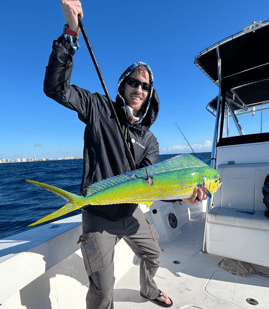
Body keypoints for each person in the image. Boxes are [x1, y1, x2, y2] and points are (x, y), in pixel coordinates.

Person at [43, 1, 208, 308]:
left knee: (154, 254)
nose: (139, 89)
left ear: (150, 95)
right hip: (99, 214)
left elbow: (153, 183)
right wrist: (70, 33)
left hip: (131, 212)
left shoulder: (150, 139)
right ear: (122, 85)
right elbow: (55, 88)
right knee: (104, 292)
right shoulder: (98, 108)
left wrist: (184, 195)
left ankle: (148, 289)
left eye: (145, 86)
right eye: (134, 82)